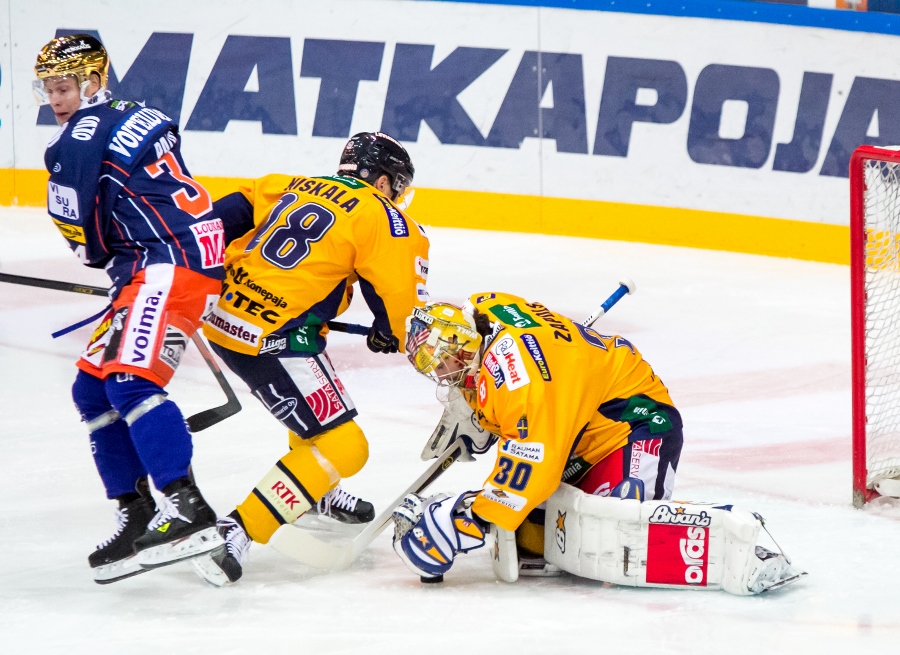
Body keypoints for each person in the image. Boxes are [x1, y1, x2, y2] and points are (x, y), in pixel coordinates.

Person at [394, 293, 803, 594]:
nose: (443, 374)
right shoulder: (485, 307)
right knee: (539, 544)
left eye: (443, 361)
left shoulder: (518, 377)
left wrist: (469, 518)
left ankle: (743, 543)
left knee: (623, 527)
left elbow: (533, 464)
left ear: (463, 344)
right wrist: (484, 411)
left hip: (634, 421)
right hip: (576, 429)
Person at [190, 132, 430, 586]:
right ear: (383, 182)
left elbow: (211, 224)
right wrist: (391, 331)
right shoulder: (386, 217)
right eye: (397, 188)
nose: (398, 198)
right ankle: (235, 530)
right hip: (276, 338)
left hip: (224, 319)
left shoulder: (289, 184)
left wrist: (172, 271)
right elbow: (402, 304)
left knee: (318, 414)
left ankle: (314, 493)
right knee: (346, 447)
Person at [35, 34, 227, 583]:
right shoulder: (142, 113)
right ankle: (136, 508)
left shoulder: (72, 145)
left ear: (94, 81)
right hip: (172, 256)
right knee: (91, 389)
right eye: (49, 88)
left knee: (130, 383)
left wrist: (115, 257)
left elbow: (89, 245)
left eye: (66, 86)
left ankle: (185, 506)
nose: (57, 98)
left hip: (166, 265)